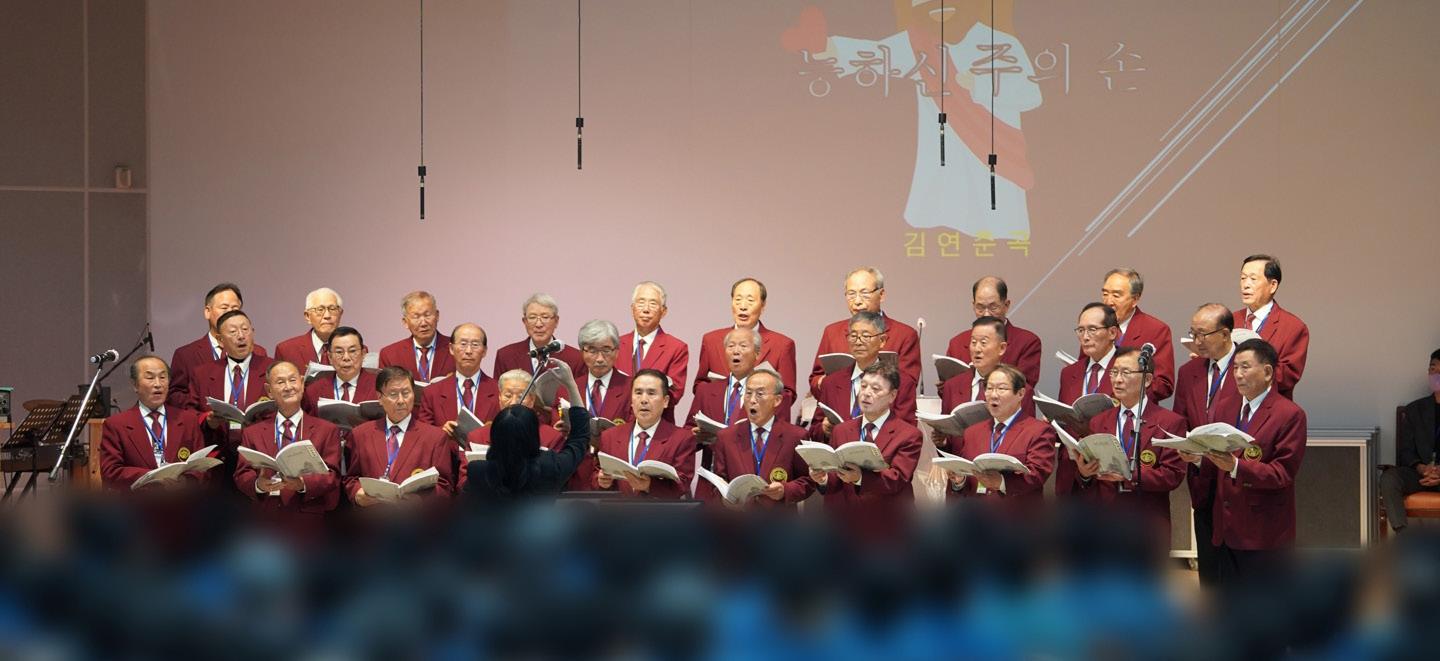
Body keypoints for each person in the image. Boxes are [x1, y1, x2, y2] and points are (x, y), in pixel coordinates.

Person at [1181, 339, 1306, 584]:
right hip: (1225, 529)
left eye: (1245, 367)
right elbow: (1217, 458)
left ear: (1268, 372)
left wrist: (1237, 467)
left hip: (1263, 532)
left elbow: (1282, 473)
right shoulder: (1225, 408)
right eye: (1235, 368)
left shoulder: (1289, 414)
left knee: (1260, 602)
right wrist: (1197, 459)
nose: (1237, 375)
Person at [1072, 348, 1188, 538]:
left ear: (1147, 379)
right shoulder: (1099, 421)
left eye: (1125, 372)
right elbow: (1091, 478)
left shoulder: (1170, 423)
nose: (1117, 380)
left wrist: (1127, 475)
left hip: (1146, 525)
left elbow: (1172, 476)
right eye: (1114, 372)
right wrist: (1085, 474)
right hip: (1103, 523)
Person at [1172, 303, 1242, 587]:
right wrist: (1183, 445)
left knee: (1238, 570)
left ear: (1225, 334)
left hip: (1238, 479)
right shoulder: (1189, 371)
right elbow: (1180, 419)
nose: (1197, 341)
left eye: (1203, 334)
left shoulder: (1246, 367)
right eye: (1193, 333)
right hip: (1202, 477)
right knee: (1210, 570)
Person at [465, 359, 591, 502]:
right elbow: (580, 438)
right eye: (508, 395)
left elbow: (467, 505)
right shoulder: (550, 467)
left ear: (495, 434)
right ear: (533, 434)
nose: (514, 401)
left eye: (521, 396)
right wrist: (570, 384)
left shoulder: (478, 471)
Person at [233, 361, 343, 519]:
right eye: (280, 382)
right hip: (264, 517)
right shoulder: (253, 432)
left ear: (302, 383)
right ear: (269, 391)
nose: (288, 387)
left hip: (308, 517)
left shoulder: (326, 430)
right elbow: (242, 474)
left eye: (293, 380)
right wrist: (258, 484)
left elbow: (332, 476)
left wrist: (302, 483)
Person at [808, 363, 923, 514]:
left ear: (892, 396)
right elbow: (837, 477)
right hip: (848, 519)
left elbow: (897, 479)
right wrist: (823, 478)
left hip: (889, 519)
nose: (866, 393)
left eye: (875, 389)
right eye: (863, 386)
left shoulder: (909, 435)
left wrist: (860, 477)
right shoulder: (841, 430)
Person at [701, 368, 814, 509]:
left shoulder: (796, 436)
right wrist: (724, 500)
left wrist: (785, 490)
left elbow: (808, 481)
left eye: (760, 394)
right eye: (748, 393)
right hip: (738, 519)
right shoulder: (726, 437)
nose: (752, 400)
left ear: (777, 400)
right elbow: (717, 484)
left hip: (779, 519)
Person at [944, 365, 1055, 506]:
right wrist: (960, 481)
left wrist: (1001, 482)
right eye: (989, 388)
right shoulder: (972, 432)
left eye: (1001, 389)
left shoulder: (1039, 431)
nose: (993, 395)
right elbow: (970, 483)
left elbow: (1037, 474)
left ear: (1020, 394)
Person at [345, 366, 456, 505]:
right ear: (379, 397)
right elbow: (351, 478)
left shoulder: (435, 437)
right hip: (373, 514)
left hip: (415, 516)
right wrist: (357, 494)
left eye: (406, 393)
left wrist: (419, 500)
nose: (401, 400)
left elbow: (444, 486)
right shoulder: (361, 434)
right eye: (393, 394)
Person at [99, 356, 208, 490]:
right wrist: (152, 478)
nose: (158, 384)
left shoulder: (188, 419)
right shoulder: (116, 424)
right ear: (135, 385)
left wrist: (185, 481)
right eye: (150, 378)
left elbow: (202, 468)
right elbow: (110, 472)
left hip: (180, 499)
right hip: (138, 500)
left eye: (162, 377)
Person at [693, 278, 799, 416]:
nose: (743, 306)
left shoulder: (782, 344)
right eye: (738, 300)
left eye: (750, 301)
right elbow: (700, 385)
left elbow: (787, 395)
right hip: (718, 419)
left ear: (763, 305)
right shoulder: (711, 340)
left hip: (758, 423)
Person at [808, 311, 918, 444]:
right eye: (853, 336)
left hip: (883, 454)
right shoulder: (831, 382)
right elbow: (814, 431)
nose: (858, 342)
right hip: (840, 454)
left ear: (882, 340)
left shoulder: (902, 382)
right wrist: (824, 429)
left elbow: (908, 433)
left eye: (866, 336)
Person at [188, 310, 275, 477]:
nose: (241, 336)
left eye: (245, 329)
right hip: (218, 462)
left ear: (253, 333)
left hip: (260, 459)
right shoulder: (203, 373)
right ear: (220, 340)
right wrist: (208, 421)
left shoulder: (272, 369)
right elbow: (190, 414)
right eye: (233, 331)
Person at [590, 369, 697, 499]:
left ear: (665, 401)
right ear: (631, 399)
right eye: (638, 393)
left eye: (651, 393)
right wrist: (602, 481)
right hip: (618, 510)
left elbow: (682, 485)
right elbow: (596, 475)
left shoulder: (682, 438)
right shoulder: (609, 436)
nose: (644, 400)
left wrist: (649, 485)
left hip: (658, 511)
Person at [808, 267, 920, 391]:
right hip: (839, 400)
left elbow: (909, 385)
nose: (857, 301)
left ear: (881, 295)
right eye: (851, 294)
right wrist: (826, 382)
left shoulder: (905, 334)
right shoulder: (832, 332)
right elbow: (815, 379)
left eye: (864, 293)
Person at [1053, 303, 1119, 496]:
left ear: (1112, 332)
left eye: (1092, 329)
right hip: (1071, 475)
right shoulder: (1069, 373)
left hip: (1108, 475)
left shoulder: (1128, 368)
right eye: (1081, 330)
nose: (1085, 336)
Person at [167, 283, 267, 408]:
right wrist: (204, 407)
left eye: (235, 308)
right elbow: (174, 396)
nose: (229, 313)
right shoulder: (186, 355)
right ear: (207, 312)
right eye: (224, 308)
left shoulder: (258, 352)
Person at [1379, 349, 1440, 533]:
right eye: (1433, 369)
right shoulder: (1414, 410)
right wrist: (1422, 468)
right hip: (1419, 474)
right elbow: (1405, 452)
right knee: (1389, 478)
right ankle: (1404, 538)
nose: (1436, 375)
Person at [945, 276, 1042, 389]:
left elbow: (1023, 388)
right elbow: (947, 390)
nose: (986, 314)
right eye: (980, 307)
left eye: (993, 307)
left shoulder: (1027, 342)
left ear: (1006, 305)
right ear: (973, 306)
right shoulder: (957, 343)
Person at [938, 316, 1034, 430]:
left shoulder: (1020, 390)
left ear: (1002, 348)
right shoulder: (952, 386)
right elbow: (947, 432)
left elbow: (1028, 432)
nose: (977, 349)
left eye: (983, 343)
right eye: (973, 342)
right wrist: (941, 437)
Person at [1235, 254, 1309, 399]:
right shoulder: (1230, 320)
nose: (1246, 285)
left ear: (1273, 285)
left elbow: (1288, 377)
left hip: (1268, 406)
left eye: (1253, 279)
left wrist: (1249, 368)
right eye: (1243, 278)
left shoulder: (1293, 327)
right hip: (1229, 406)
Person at [614, 282, 689, 421]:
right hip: (619, 423)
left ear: (664, 311)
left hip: (657, 425)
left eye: (653, 304)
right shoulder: (616, 344)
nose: (646, 309)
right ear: (632, 309)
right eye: (641, 303)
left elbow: (675, 393)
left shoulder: (676, 347)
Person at [1100, 268, 1174, 401]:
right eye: (1105, 294)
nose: (1108, 301)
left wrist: (1127, 395)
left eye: (1116, 295)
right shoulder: (1096, 326)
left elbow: (1163, 385)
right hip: (1094, 409)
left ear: (1135, 299)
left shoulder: (1156, 330)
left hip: (1132, 410)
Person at [686, 327, 766, 448]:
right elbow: (688, 431)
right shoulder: (706, 391)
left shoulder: (768, 393)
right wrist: (694, 437)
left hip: (751, 458)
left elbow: (778, 436)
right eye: (731, 346)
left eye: (743, 346)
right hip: (713, 458)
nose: (736, 351)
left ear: (757, 353)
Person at [415, 323, 499, 437]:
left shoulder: (498, 391)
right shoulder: (432, 392)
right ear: (451, 349)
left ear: (484, 351)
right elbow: (422, 434)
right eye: (463, 344)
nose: (468, 351)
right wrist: (441, 432)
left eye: (475, 344)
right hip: (446, 448)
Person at [491, 293, 585, 378]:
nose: (539, 324)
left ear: (556, 321)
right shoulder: (506, 356)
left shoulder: (576, 358)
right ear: (525, 322)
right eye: (532, 317)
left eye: (545, 317)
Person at [377, 290, 454, 382]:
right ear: (405, 322)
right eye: (416, 317)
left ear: (437, 316)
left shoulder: (455, 348)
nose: (423, 323)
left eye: (427, 315)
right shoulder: (389, 354)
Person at [302, 326, 379, 413]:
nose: (346, 358)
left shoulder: (379, 386)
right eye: (339, 352)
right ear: (330, 357)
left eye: (352, 351)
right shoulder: (314, 390)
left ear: (363, 354)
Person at [273, 287, 345, 368]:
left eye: (332, 309)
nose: (327, 316)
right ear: (307, 316)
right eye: (320, 310)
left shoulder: (354, 349)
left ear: (340, 314)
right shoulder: (286, 350)